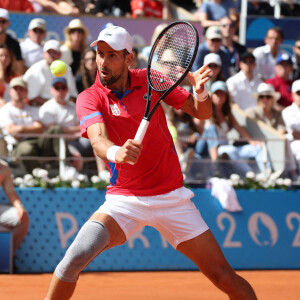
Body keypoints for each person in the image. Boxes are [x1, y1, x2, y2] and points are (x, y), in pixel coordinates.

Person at [45, 25, 257, 300]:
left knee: (224, 277)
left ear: (128, 59)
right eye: (99, 54)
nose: (102, 63)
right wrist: (115, 153)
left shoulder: (152, 79)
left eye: (111, 55)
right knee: (75, 257)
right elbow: (98, 140)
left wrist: (200, 92)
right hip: (125, 200)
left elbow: (201, 113)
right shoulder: (90, 97)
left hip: (172, 199)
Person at [195, 81, 264, 176]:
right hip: (205, 148)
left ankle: (265, 174)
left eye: (222, 94)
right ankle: (248, 174)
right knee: (212, 129)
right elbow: (198, 126)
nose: (219, 96)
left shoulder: (227, 113)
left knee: (258, 147)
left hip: (225, 149)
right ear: (212, 95)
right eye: (217, 93)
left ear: (226, 96)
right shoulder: (206, 110)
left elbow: (239, 128)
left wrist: (252, 141)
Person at [39, 77, 94, 172]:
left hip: (77, 140)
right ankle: (71, 176)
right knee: (66, 147)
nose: (60, 90)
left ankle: (103, 172)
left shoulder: (74, 106)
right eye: (57, 87)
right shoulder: (46, 108)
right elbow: (55, 131)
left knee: (96, 136)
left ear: (67, 89)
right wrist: (75, 132)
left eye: (63, 87)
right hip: (58, 143)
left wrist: (69, 132)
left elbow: (82, 127)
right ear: (51, 90)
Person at [246, 82, 297, 179]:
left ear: (273, 99)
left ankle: (292, 172)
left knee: (286, 139)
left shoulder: (277, 114)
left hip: (275, 148)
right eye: (262, 96)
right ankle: (291, 172)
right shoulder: (251, 113)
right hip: (259, 148)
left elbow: (281, 130)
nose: (265, 99)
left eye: (268, 97)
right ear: (258, 98)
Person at [23, 39, 78, 106]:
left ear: (60, 54)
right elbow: (32, 98)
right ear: (44, 54)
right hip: (40, 109)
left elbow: (73, 95)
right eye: (49, 52)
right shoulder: (36, 70)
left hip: (64, 107)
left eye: (54, 52)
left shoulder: (67, 69)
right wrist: (55, 104)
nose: (51, 55)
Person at [0, 159, 29, 253]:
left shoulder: (4, 167)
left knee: (22, 219)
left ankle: (8, 255)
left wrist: (19, 207)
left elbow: (10, 192)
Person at [282, 79, 300, 176]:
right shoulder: (287, 112)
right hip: (292, 145)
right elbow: (293, 133)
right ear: (293, 94)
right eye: (299, 93)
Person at [0, 9, 24, 75]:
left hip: (8, 81)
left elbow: (19, 71)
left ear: (8, 23)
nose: (0, 24)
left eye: (3, 21)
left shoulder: (14, 44)